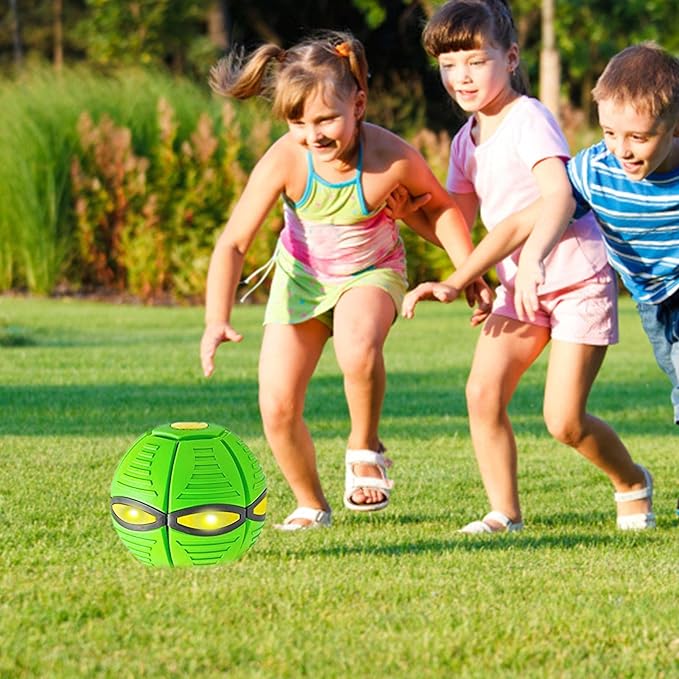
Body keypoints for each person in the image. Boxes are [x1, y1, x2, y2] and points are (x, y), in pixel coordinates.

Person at [200, 30, 492, 530]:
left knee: (356, 349)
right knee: (276, 405)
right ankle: (311, 503)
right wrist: (215, 318)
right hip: (302, 283)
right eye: (298, 121)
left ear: (358, 104)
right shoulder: (287, 159)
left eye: (326, 119)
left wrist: (469, 273)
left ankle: (364, 445)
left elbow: (441, 209)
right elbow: (232, 243)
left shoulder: (390, 156)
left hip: (372, 273)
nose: (313, 134)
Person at [400, 0, 655, 532]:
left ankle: (631, 481)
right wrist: (447, 263)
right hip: (521, 287)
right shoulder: (464, 142)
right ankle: (504, 513)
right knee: (481, 391)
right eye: (449, 66)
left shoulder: (529, 118)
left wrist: (533, 258)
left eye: (474, 60)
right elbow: (457, 223)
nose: (461, 77)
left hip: (575, 278)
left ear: (511, 56)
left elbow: (559, 197)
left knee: (563, 421)